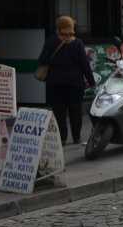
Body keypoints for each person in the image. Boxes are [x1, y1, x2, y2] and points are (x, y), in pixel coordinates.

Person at [38, 16, 94, 145]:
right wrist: (91, 81)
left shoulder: (51, 41)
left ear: (58, 27)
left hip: (55, 84)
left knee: (59, 113)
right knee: (76, 112)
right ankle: (76, 138)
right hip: (75, 84)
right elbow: (84, 64)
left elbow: (42, 60)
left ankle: (62, 138)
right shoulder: (78, 43)